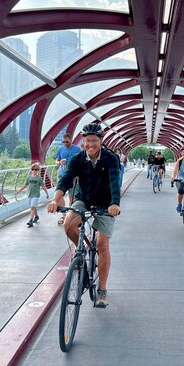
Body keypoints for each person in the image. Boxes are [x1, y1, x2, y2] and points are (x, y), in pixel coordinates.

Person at [47, 124, 120, 308]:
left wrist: (114, 204)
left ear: (101, 141)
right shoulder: (77, 159)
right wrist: (55, 200)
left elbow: (114, 182)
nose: (90, 144)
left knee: (102, 246)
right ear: (83, 142)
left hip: (105, 203)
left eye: (94, 140)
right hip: (83, 199)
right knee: (68, 224)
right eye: (87, 141)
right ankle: (84, 250)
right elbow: (65, 180)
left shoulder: (110, 158)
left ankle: (102, 290)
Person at [55, 133, 81, 225]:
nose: (65, 143)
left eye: (67, 141)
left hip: (73, 176)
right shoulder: (60, 149)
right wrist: (59, 162)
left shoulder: (77, 149)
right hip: (62, 174)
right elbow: (56, 160)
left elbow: (81, 161)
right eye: (63, 142)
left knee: (71, 196)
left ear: (71, 140)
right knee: (59, 195)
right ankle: (63, 215)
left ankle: (70, 215)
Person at [16, 162, 49, 228]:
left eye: (36, 169)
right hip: (30, 195)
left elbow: (43, 186)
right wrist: (19, 191)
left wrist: (47, 193)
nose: (34, 171)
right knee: (33, 207)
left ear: (38, 170)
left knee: (32, 207)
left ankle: (31, 220)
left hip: (36, 195)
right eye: (32, 169)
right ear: (31, 170)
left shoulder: (39, 178)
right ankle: (36, 216)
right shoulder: (29, 178)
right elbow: (25, 185)